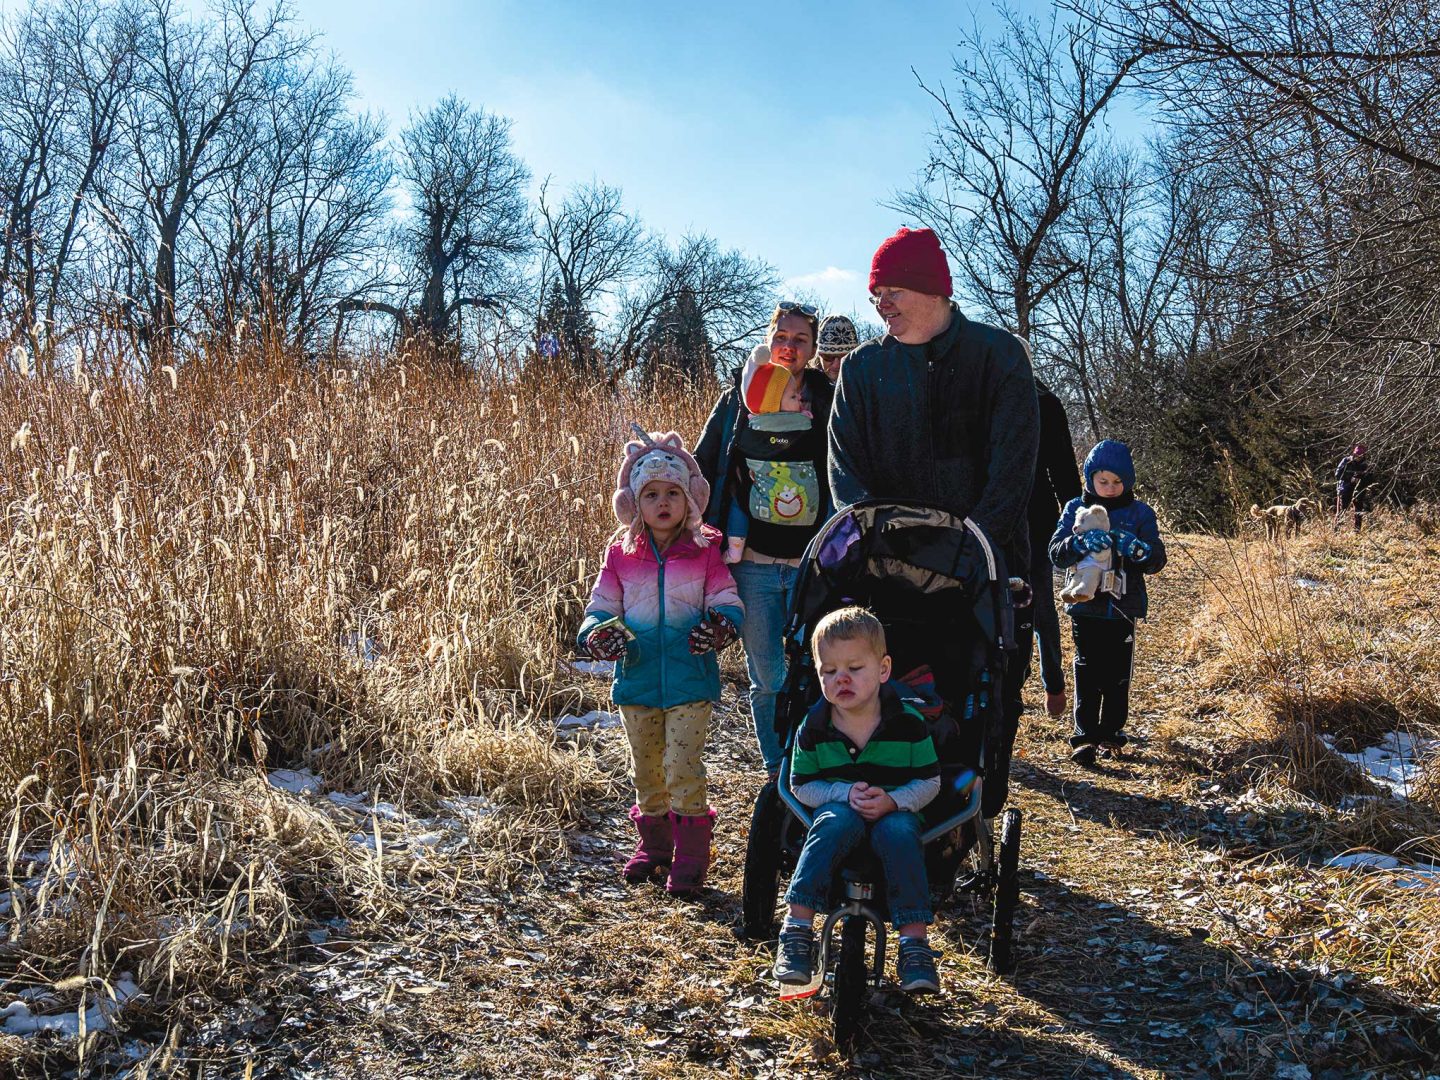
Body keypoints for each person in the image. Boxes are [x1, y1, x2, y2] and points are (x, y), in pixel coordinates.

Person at [829, 226, 1039, 815]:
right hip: (884, 573)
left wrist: (972, 547)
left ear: (933, 289)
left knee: (988, 686)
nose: (880, 305)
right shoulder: (864, 371)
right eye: (876, 295)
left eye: (891, 290)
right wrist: (873, 537)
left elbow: (1013, 468)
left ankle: (973, 807)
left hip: (985, 562)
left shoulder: (996, 359)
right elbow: (844, 473)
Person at [578, 431, 744, 894]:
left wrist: (722, 624)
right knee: (646, 769)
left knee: (682, 766)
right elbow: (601, 606)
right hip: (637, 677)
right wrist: (596, 633)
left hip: (691, 677)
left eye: (673, 492)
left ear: (689, 500)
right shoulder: (620, 554)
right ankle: (654, 847)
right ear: (634, 503)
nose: (663, 502)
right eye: (651, 494)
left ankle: (691, 856)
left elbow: (726, 597)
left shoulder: (705, 549)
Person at [695, 303, 835, 777]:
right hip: (751, 561)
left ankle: (811, 760)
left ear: (813, 348)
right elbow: (705, 458)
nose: (789, 346)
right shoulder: (739, 394)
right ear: (769, 337)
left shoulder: (827, 397)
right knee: (768, 676)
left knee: (816, 668)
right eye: (782, 335)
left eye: (800, 339)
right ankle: (777, 768)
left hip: (810, 564)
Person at [772, 607, 942, 995]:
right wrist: (842, 793)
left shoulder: (907, 724)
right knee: (832, 821)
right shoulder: (814, 727)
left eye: (854, 668)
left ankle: (914, 943)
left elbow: (930, 781)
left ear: (883, 670)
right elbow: (801, 785)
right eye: (828, 671)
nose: (841, 679)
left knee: (899, 831)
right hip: (840, 809)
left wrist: (895, 801)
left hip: (893, 811)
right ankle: (797, 929)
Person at [1047, 439, 1167, 766]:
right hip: (1086, 604)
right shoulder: (1075, 508)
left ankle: (1111, 734)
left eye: (1118, 482)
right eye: (1103, 481)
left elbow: (1157, 558)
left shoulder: (1141, 513)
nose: (1111, 488)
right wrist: (1080, 541)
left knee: (1117, 673)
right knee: (1087, 668)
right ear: (1090, 478)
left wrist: (1140, 551)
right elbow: (1056, 552)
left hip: (1124, 608)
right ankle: (1084, 737)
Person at [723, 346, 826, 565]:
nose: (799, 397)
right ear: (773, 404)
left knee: (738, 501)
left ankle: (735, 545)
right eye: (792, 396)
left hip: (759, 524)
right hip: (806, 520)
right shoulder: (807, 427)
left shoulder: (749, 431)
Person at [1025, 377, 1083, 719]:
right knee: (1034, 603)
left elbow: (1062, 466)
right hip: (995, 516)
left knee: (1040, 602)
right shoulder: (981, 391)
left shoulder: (1045, 402)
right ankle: (1036, 683)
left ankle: (1053, 683)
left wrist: (1075, 519)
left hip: (1035, 517)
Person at [1334, 443, 1374, 532]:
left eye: (1360, 455)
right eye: (1356, 455)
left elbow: (1370, 479)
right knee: (1341, 511)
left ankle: (1357, 532)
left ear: (1364, 455)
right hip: (1344, 488)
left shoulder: (1366, 465)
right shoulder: (1346, 461)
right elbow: (1337, 475)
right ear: (1353, 453)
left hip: (1359, 490)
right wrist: (1350, 478)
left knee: (1358, 512)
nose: (1358, 457)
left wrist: (1361, 478)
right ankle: (1336, 532)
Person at [813, 314, 859, 383]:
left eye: (844, 357)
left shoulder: (868, 387)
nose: (836, 365)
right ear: (819, 355)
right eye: (828, 357)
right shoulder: (804, 387)